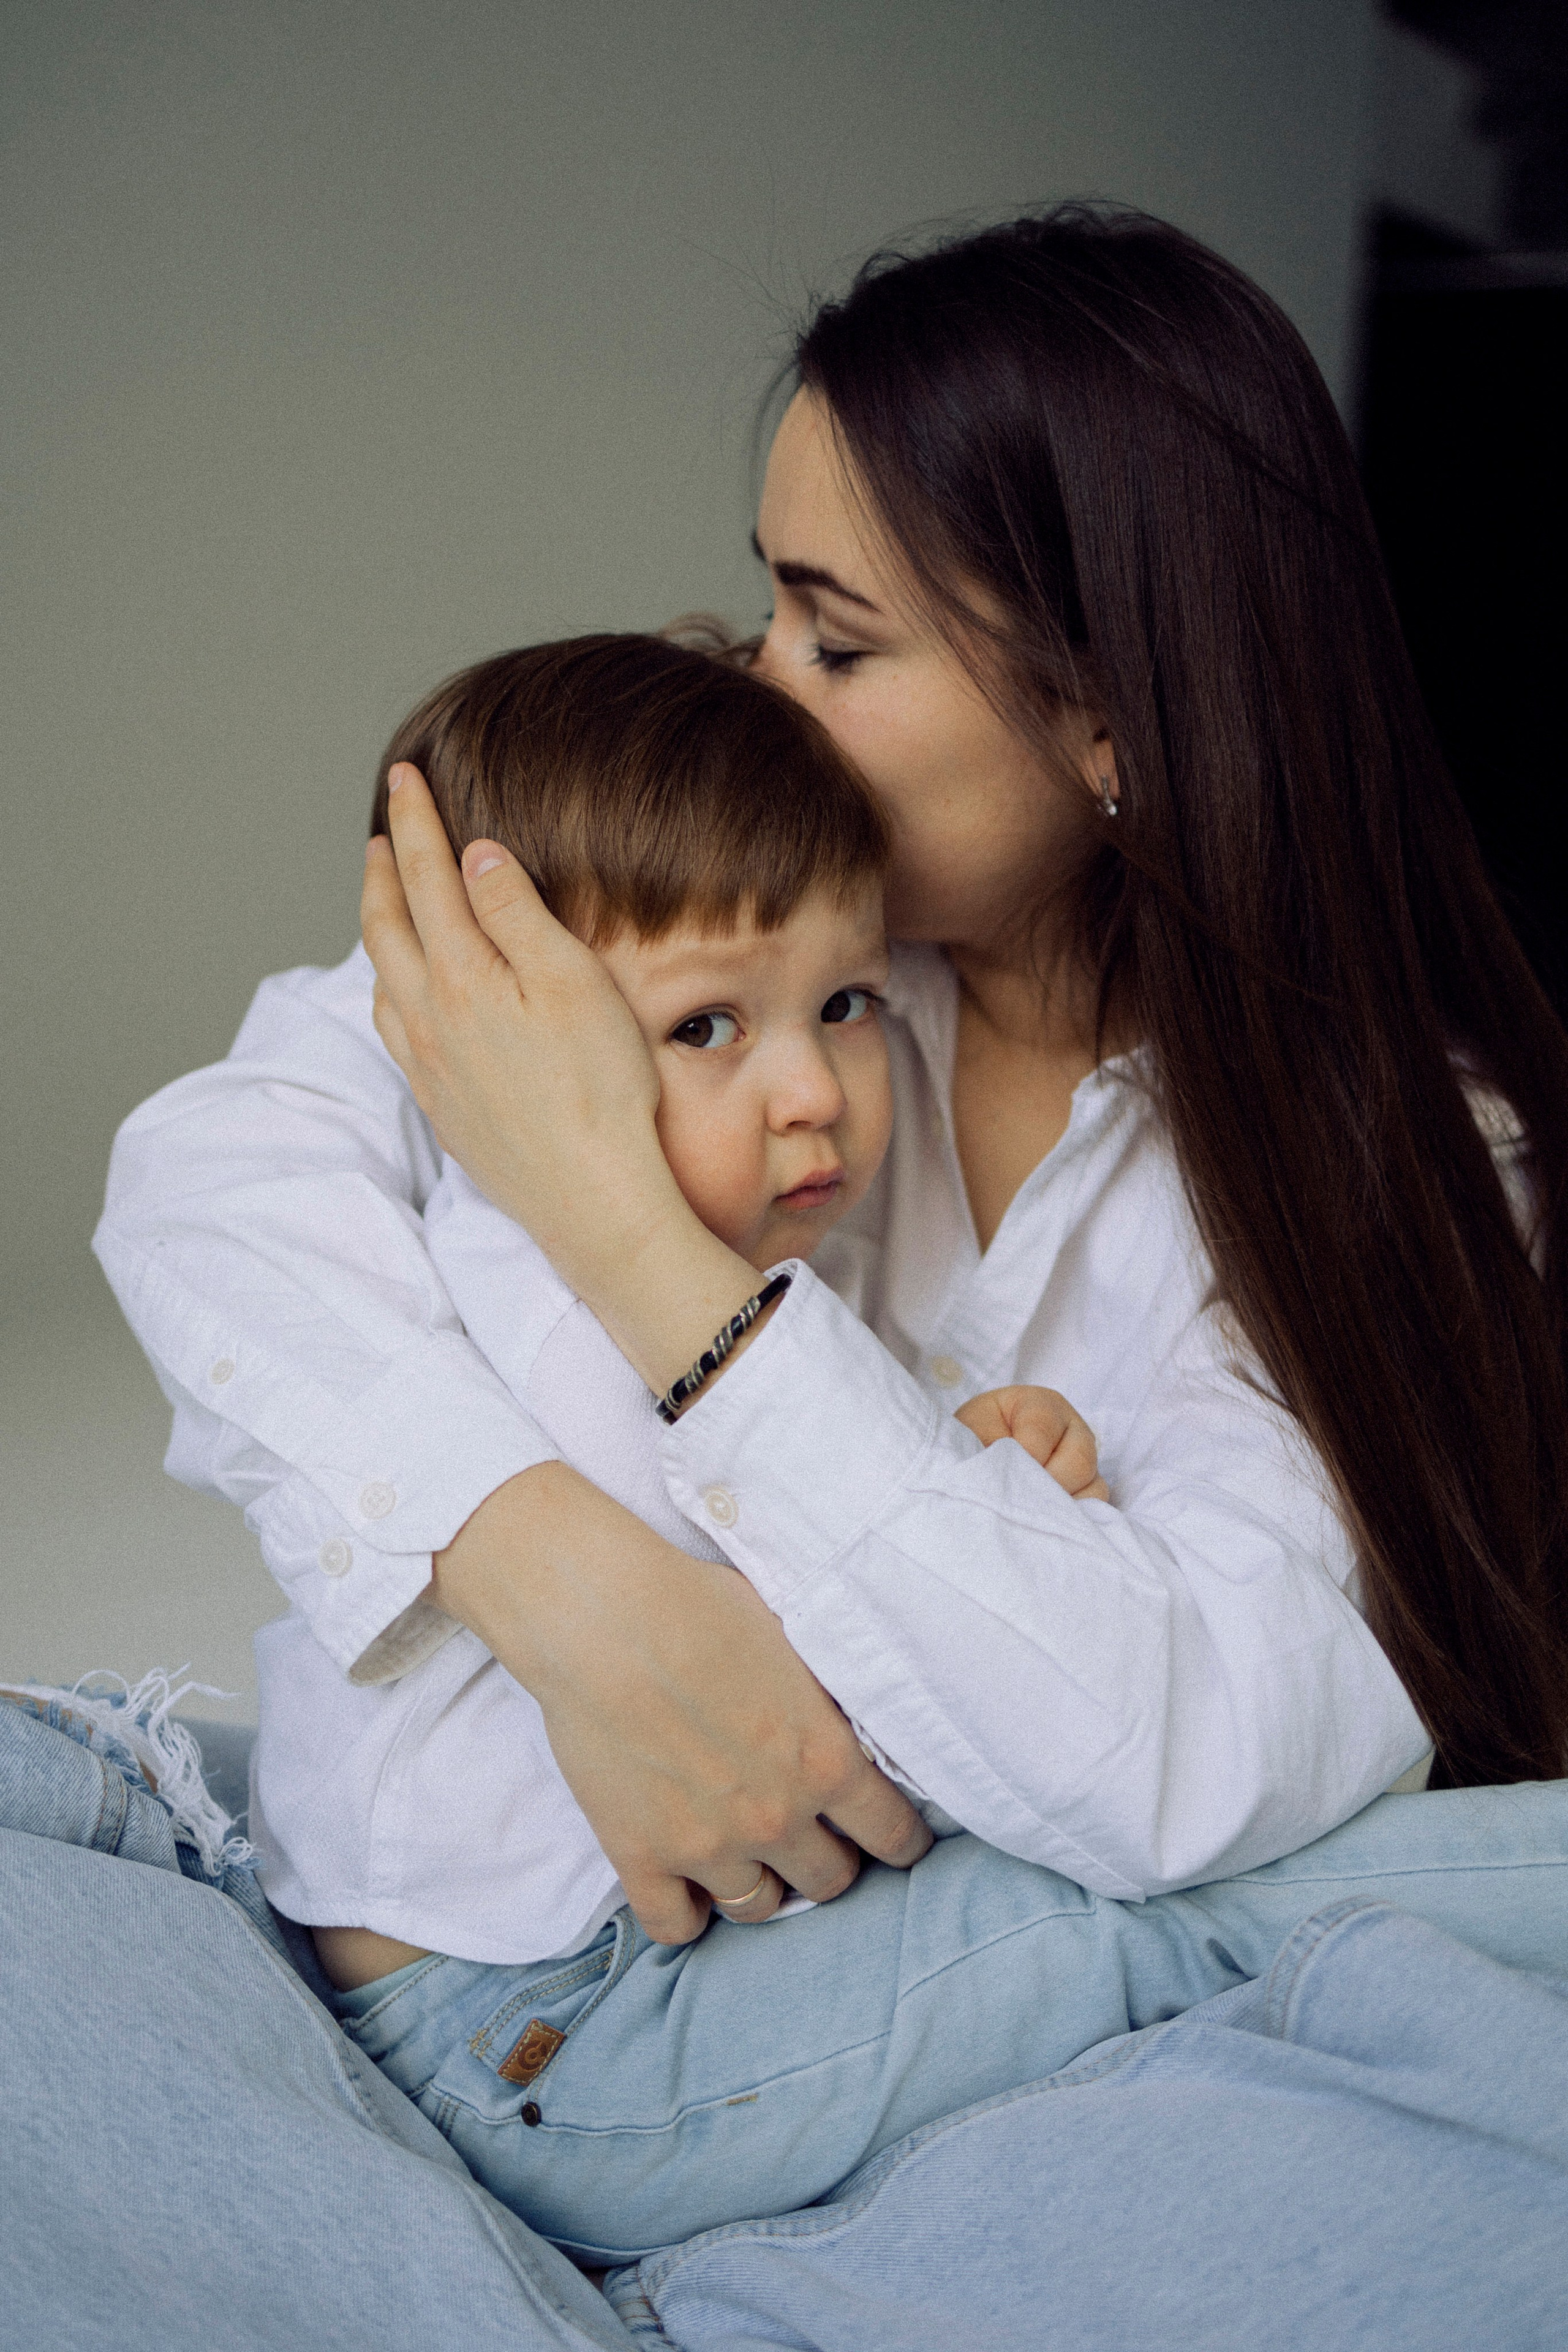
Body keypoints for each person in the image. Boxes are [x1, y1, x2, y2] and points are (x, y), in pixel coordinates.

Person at [97, 204, 1568, 1964]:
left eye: (840, 643)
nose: (761, 696)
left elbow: (1171, 1747)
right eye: (774, 606)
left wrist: (626, 1230)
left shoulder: (1410, 1162)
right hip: (541, 1941)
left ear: (1113, 721)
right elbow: (216, 1177)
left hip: (907, 1974)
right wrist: (571, 1595)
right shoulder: (715, 919)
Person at [256, 628, 1106, 1984]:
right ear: (506, 1046)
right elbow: (839, 1684)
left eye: (843, 1003)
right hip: (524, 1999)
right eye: (707, 1025)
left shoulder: (739, 1279)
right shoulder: (560, 1316)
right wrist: (995, 1522)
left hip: (571, 1952)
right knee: (1095, 1953)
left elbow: (827, 1502)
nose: (814, 1090)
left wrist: (965, 1445)